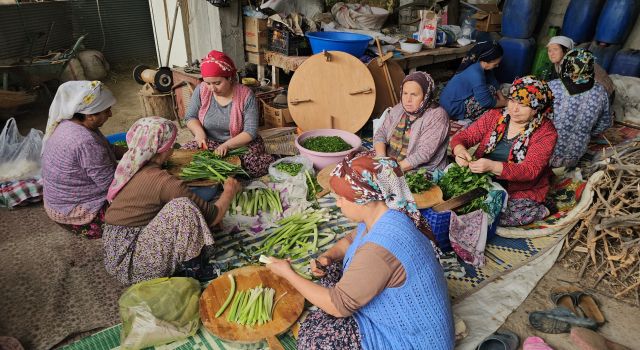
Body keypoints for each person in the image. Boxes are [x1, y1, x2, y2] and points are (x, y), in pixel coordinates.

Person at [265, 153, 454, 350]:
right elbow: (351, 239)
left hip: (413, 341)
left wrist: (288, 273)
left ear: (363, 200)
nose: (337, 204)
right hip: (405, 319)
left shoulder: (381, 248)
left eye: (340, 199)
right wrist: (329, 255)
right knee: (331, 273)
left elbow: (338, 306)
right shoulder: (388, 213)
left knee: (315, 338)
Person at [103, 117, 242, 285]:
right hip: (131, 265)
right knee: (183, 208)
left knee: (182, 207)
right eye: (171, 144)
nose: (173, 148)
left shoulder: (130, 167)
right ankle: (195, 269)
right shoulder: (162, 181)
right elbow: (214, 216)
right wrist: (229, 191)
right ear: (162, 149)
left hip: (116, 252)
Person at [450, 76, 557, 227]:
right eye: (512, 100)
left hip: (517, 186)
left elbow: (530, 170)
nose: (514, 109)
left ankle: (542, 209)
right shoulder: (495, 116)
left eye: (522, 104)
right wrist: (460, 150)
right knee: (457, 201)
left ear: (536, 108)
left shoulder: (546, 133)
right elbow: (465, 137)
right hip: (482, 176)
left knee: (496, 215)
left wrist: (493, 167)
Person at [41, 80, 125, 239]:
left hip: (57, 204)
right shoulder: (84, 141)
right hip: (77, 215)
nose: (111, 114)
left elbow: (111, 149)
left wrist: (138, 152)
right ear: (90, 115)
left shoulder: (72, 123)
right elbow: (114, 186)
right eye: (106, 111)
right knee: (146, 201)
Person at [182, 50, 274, 178]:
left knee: (253, 166)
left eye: (217, 83)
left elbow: (250, 131)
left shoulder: (246, 95)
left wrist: (227, 145)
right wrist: (199, 133)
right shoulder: (202, 90)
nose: (212, 88)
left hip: (240, 144)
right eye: (208, 83)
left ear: (230, 78)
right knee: (185, 157)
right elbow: (190, 117)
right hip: (210, 143)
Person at [548, 49, 612, 169]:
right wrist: (584, 132)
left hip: (546, 154)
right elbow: (605, 123)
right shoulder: (601, 91)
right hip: (574, 157)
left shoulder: (554, 86)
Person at [373, 71, 450, 172]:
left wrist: (393, 171)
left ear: (426, 96)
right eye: (405, 93)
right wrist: (381, 159)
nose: (408, 99)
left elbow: (423, 153)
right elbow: (381, 133)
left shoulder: (437, 116)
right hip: (389, 162)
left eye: (414, 94)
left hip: (418, 170)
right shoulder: (399, 109)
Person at [439, 41, 508, 120]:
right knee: (490, 93)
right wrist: (506, 103)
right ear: (487, 60)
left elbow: (492, 80)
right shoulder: (475, 74)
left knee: (491, 88)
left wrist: (502, 98)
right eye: (495, 64)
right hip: (453, 108)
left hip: (448, 102)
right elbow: (486, 102)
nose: (497, 65)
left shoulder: (479, 64)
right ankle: (464, 116)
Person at [546, 36, 615, 97]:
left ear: (566, 50)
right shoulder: (559, 62)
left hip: (603, 95)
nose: (552, 54)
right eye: (549, 50)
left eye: (555, 49)